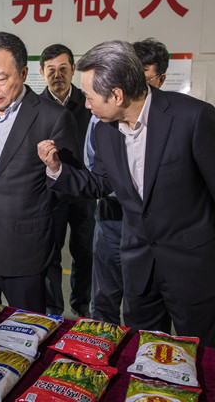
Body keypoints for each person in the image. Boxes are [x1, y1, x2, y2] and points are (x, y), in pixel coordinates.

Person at [38, 40, 215, 346]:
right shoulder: (104, 130)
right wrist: (57, 169)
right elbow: (100, 183)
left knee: (202, 354)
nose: (86, 104)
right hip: (139, 269)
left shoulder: (193, 117)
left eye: (90, 97)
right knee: (143, 348)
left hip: (191, 269)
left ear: (117, 95)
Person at [0, 32, 81, 312]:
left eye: (1, 79)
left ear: (23, 73)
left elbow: (70, 184)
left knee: (27, 328)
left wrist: (53, 172)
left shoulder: (53, 116)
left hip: (24, 248)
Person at [86, 38, 169, 325]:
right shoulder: (102, 123)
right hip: (112, 217)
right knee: (107, 296)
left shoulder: (183, 120)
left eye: (143, 77)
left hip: (162, 230)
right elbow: (97, 175)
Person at [39, 44, 95, 317]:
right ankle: (53, 311)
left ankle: (81, 307)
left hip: (85, 191)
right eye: (51, 69)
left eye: (63, 68)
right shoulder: (35, 106)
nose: (57, 75)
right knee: (51, 253)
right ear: (42, 72)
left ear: (73, 69)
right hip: (52, 192)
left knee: (85, 253)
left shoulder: (89, 103)